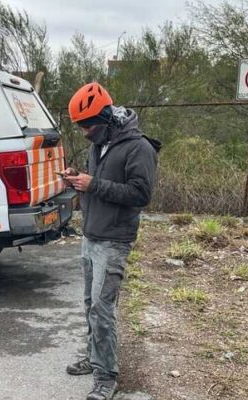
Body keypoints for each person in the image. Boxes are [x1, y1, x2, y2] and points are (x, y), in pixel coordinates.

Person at [63, 82, 160, 400]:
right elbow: (98, 182)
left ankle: (106, 377)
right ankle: (95, 359)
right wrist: (78, 178)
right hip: (91, 235)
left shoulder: (139, 148)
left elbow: (140, 194)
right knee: (91, 305)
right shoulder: (99, 143)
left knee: (102, 309)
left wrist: (94, 185)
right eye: (81, 126)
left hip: (114, 241)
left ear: (106, 118)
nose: (84, 132)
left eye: (88, 126)